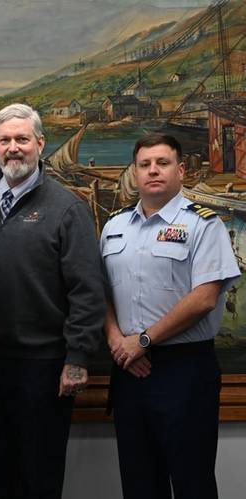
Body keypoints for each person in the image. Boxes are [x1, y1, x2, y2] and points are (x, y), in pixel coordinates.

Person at [0, 103, 106, 499]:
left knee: (38, 477)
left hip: (43, 369)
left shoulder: (68, 208)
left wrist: (77, 358)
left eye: (22, 139)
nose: (13, 148)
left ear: (40, 144)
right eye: (5, 140)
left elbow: (87, 290)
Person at [101, 134, 240, 499]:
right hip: (129, 370)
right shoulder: (113, 227)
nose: (153, 171)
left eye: (162, 163)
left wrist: (144, 340)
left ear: (181, 170)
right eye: (145, 164)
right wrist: (118, 341)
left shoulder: (204, 225)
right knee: (139, 482)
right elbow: (100, 293)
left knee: (192, 480)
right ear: (135, 172)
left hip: (185, 371)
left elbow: (205, 298)